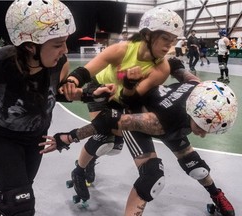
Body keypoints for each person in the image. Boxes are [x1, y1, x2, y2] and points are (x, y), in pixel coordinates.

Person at [42, 58, 238, 216]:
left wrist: (169, 63)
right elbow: (108, 121)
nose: (203, 135)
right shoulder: (156, 122)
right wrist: (69, 137)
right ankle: (80, 169)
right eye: (202, 127)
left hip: (169, 118)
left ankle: (216, 195)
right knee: (150, 175)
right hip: (136, 115)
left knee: (198, 168)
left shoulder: (198, 87)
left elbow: (175, 65)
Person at [0, 0, 90, 215]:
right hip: (0, 136)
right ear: (30, 46)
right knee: (21, 204)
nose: (65, 50)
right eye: (57, 44)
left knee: (20, 189)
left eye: (65, 42)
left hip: (36, 136)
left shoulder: (59, 64)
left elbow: (49, 95)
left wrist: (86, 94)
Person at [57, 6, 183, 207]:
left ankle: (88, 162)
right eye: (166, 38)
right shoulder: (122, 49)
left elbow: (131, 99)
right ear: (148, 36)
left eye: (173, 40)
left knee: (113, 147)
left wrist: (130, 84)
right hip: (99, 89)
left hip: (123, 99)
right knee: (104, 137)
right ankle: (79, 170)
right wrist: (72, 80)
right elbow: (86, 71)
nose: (170, 45)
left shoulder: (162, 68)